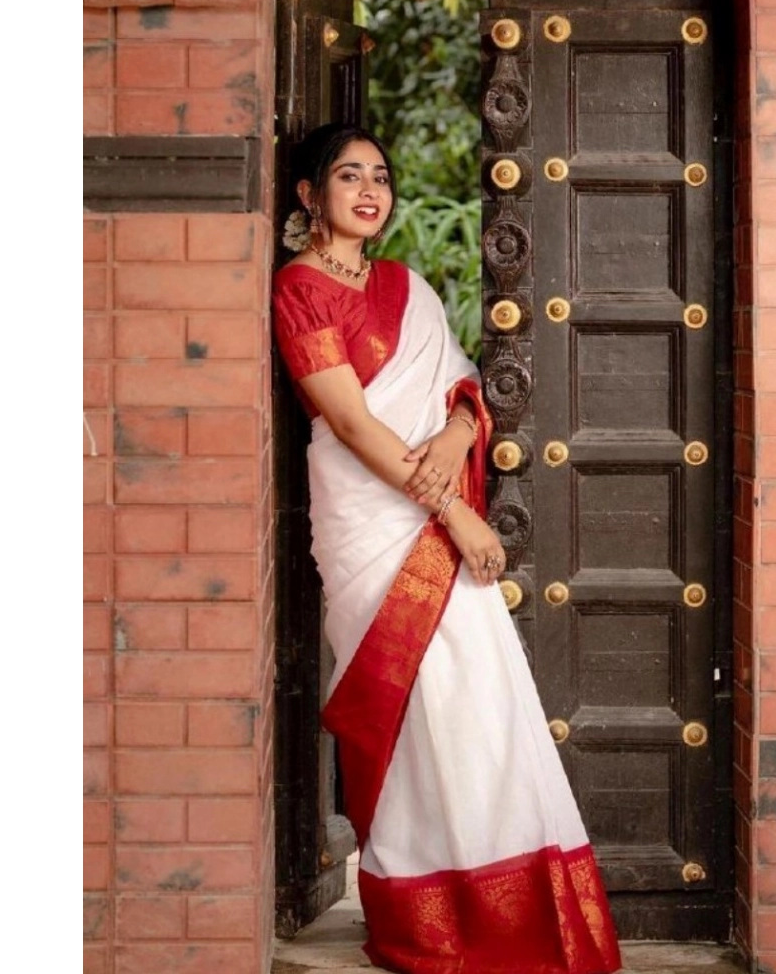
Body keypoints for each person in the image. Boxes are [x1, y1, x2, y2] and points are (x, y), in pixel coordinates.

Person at [271, 122, 622, 974]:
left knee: (479, 710)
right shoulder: (299, 291)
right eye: (348, 176)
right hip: (371, 521)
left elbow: (463, 385)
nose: (370, 191)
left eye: (380, 177)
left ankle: (510, 911)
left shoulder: (407, 286)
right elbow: (353, 422)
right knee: (406, 713)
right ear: (309, 195)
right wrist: (457, 515)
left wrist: (461, 431)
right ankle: (427, 916)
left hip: (424, 499)